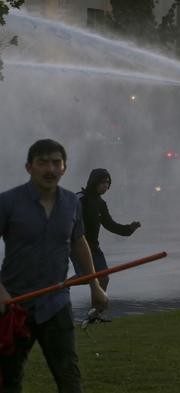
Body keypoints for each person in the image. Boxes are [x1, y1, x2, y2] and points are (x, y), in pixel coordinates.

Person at [0, 139, 109, 392]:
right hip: (15, 306)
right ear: (29, 167)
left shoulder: (71, 203)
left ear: (64, 168)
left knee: (69, 379)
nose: (50, 168)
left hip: (56, 304)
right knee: (9, 380)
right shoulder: (8, 202)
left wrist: (95, 285)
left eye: (56, 162)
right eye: (42, 162)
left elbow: (79, 242)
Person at [77, 168, 141, 293]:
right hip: (78, 246)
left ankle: (97, 310)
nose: (105, 185)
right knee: (86, 278)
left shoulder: (101, 204)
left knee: (104, 278)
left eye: (107, 182)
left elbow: (110, 225)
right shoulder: (79, 199)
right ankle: (63, 286)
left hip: (94, 247)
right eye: (102, 182)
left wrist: (129, 229)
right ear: (94, 182)